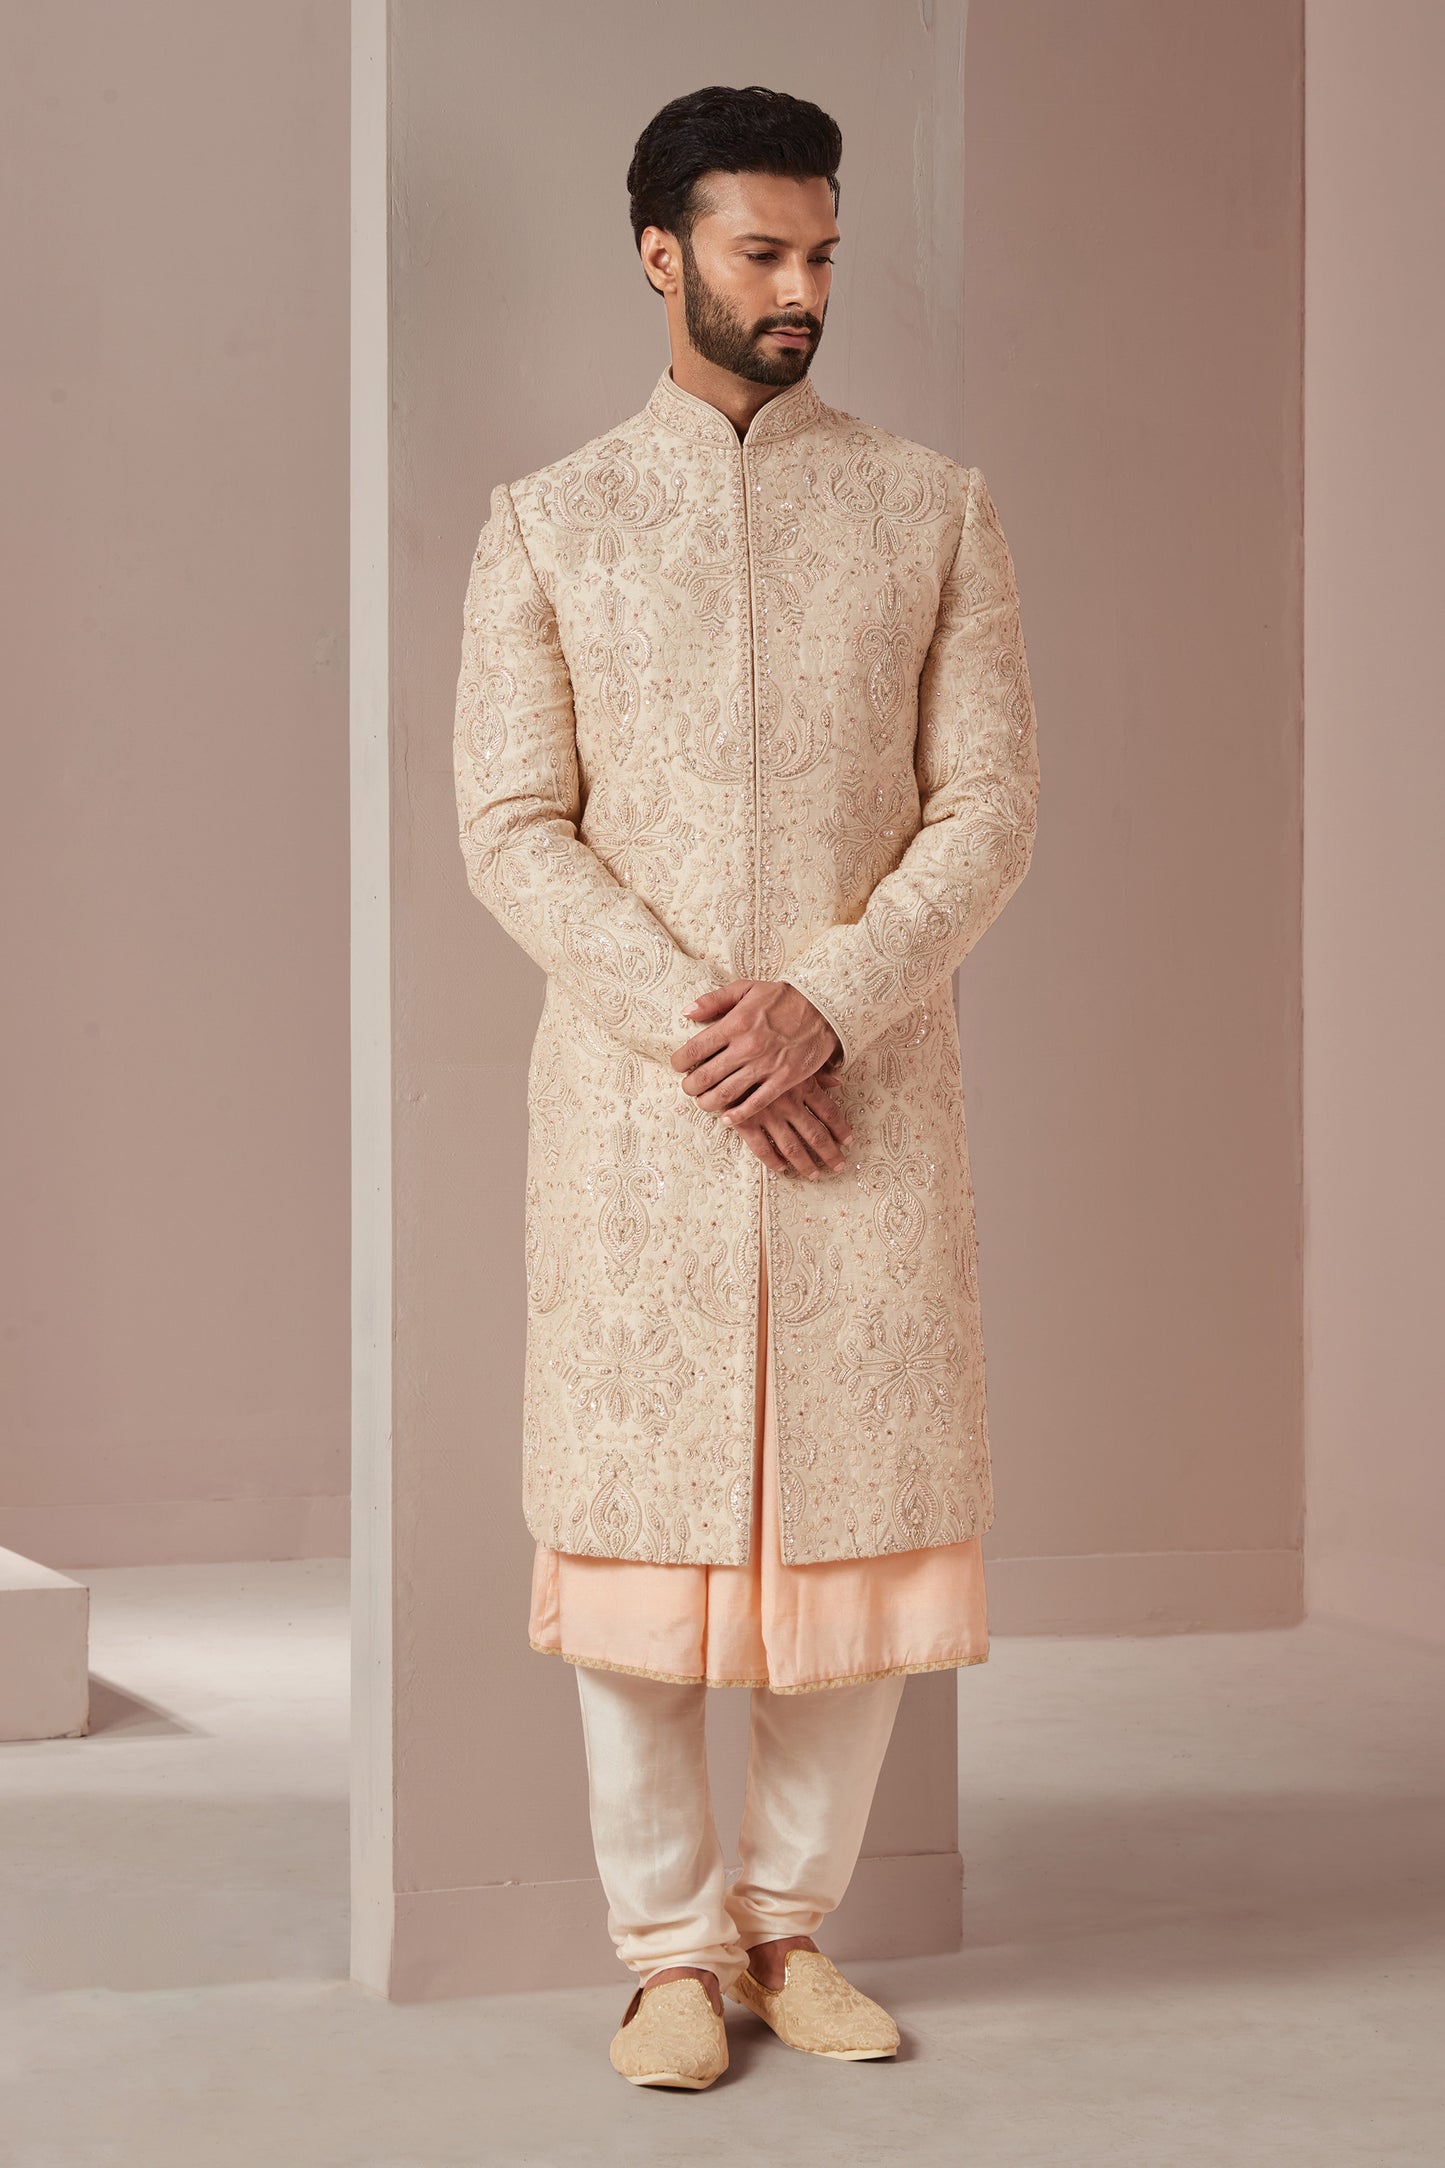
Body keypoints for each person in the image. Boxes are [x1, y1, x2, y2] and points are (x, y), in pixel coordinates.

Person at [452, 82, 1039, 2090]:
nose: (801, 289)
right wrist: (713, 1029)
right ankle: (665, 1958)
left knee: (854, 1537)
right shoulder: (548, 521)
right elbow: (512, 826)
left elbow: (990, 807)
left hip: (864, 1100)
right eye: (762, 252)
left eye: (822, 256)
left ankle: (789, 1933)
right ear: (662, 256)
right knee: (638, 1543)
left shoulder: (929, 506)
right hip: (647, 1113)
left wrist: (834, 1005)